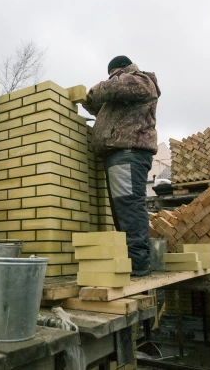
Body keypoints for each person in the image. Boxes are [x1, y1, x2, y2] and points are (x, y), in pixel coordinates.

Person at [79, 55, 161, 276]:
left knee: (128, 206)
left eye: (112, 75)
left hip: (128, 152)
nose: (111, 80)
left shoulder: (140, 80)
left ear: (121, 70)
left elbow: (114, 87)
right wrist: (87, 101)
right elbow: (100, 106)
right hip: (118, 155)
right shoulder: (122, 93)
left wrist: (94, 91)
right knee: (122, 208)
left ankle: (138, 262)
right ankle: (132, 260)